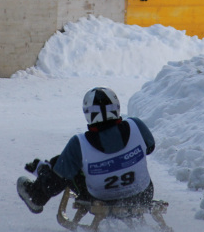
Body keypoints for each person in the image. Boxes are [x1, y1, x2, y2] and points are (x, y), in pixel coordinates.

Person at [17, 87, 156, 214]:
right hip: (143, 194)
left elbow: (54, 184)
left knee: (65, 165)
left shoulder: (79, 143)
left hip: (101, 199)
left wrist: (43, 172)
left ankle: (36, 197)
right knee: (70, 162)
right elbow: (150, 147)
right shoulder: (136, 125)